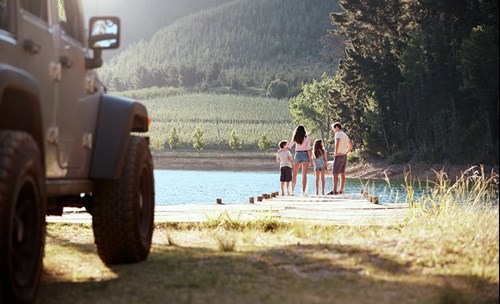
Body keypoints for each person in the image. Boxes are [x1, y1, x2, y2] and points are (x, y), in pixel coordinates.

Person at [288, 125, 313, 196]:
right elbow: (308, 149)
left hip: (298, 154)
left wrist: (282, 150)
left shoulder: (295, 137)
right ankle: (303, 192)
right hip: (305, 154)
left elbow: (289, 146)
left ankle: (292, 191)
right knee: (304, 174)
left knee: (294, 174)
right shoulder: (307, 138)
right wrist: (310, 158)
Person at [328, 122, 352, 195]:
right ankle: (341, 190)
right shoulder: (345, 134)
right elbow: (350, 145)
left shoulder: (338, 134)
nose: (333, 130)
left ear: (337, 127)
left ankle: (334, 190)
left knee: (335, 173)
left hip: (338, 155)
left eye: (333, 129)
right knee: (342, 173)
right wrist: (345, 152)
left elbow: (337, 143)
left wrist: (335, 153)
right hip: (344, 155)